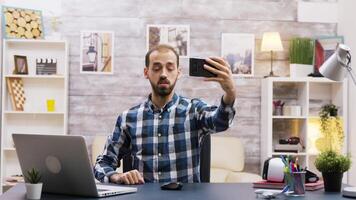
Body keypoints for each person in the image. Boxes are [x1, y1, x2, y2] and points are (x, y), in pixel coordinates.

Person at [94, 44, 236, 185]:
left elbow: (220, 121)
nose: (163, 74)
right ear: (146, 72)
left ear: (178, 73)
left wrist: (230, 93)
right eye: (156, 68)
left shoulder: (194, 110)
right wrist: (116, 176)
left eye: (170, 68)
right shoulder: (128, 118)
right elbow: (103, 163)